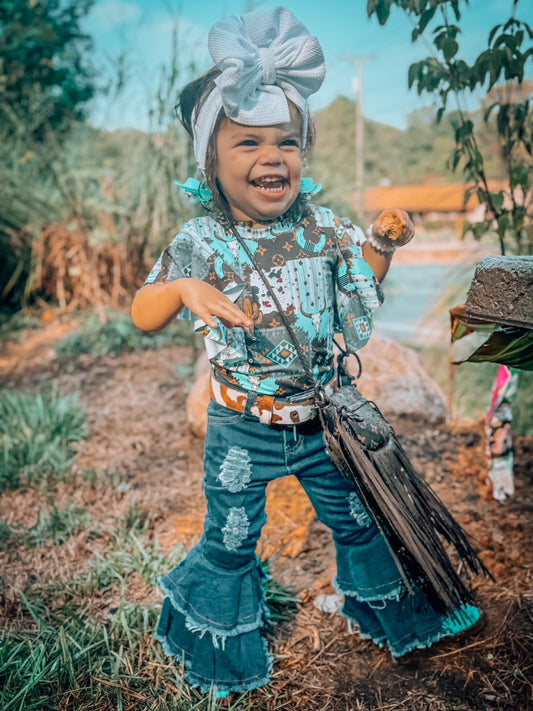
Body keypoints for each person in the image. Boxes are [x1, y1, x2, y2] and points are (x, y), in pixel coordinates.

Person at [131, 6, 480, 697]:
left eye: (287, 142)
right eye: (249, 143)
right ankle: (215, 650)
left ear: (303, 151)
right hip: (240, 426)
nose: (272, 157)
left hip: (323, 421)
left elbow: (360, 287)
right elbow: (143, 312)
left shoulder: (320, 225)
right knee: (232, 538)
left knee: (357, 519)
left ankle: (384, 616)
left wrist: (379, 245)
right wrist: (184, 288)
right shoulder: (199, 242)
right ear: (210, 158)